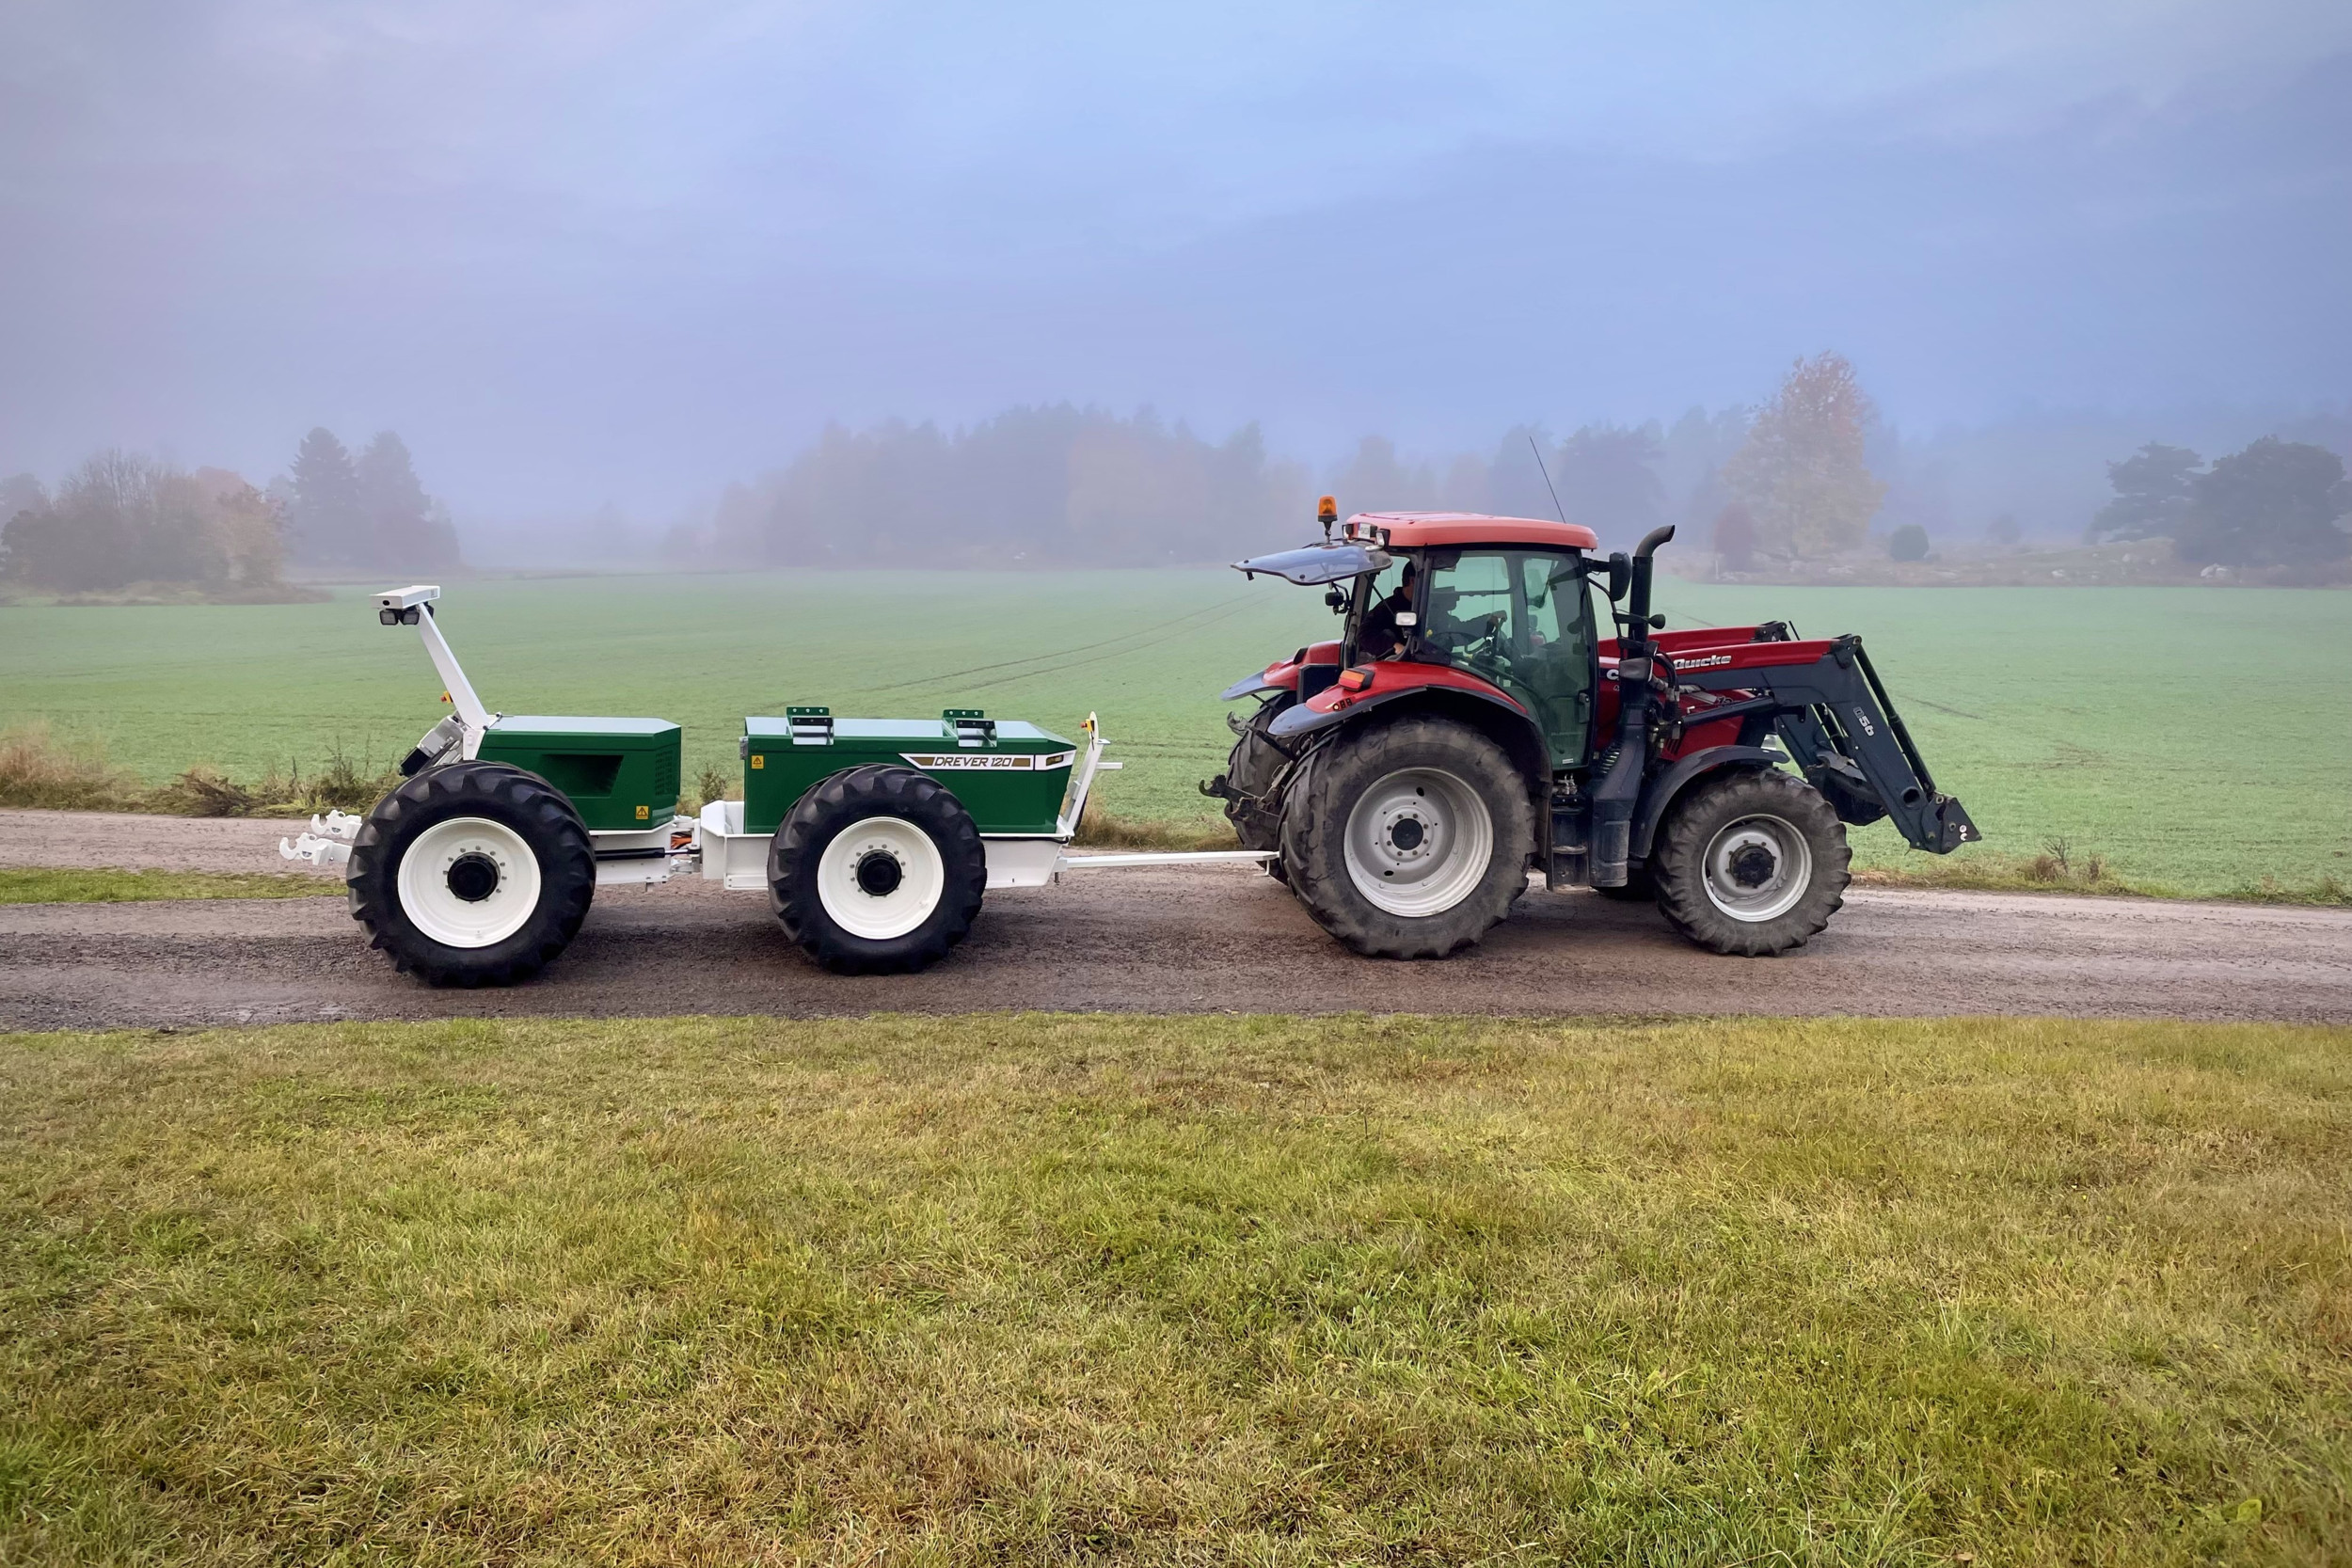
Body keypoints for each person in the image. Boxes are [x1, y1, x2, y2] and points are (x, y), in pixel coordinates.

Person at [1357, 561, 1417, 658]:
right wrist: (1394, 645)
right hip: (1396, 665)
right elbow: (1363, 635)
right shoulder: (1387, 608)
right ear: (1412, 580)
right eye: (1430, 582)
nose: (1433, 587)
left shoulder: (1428, 608)